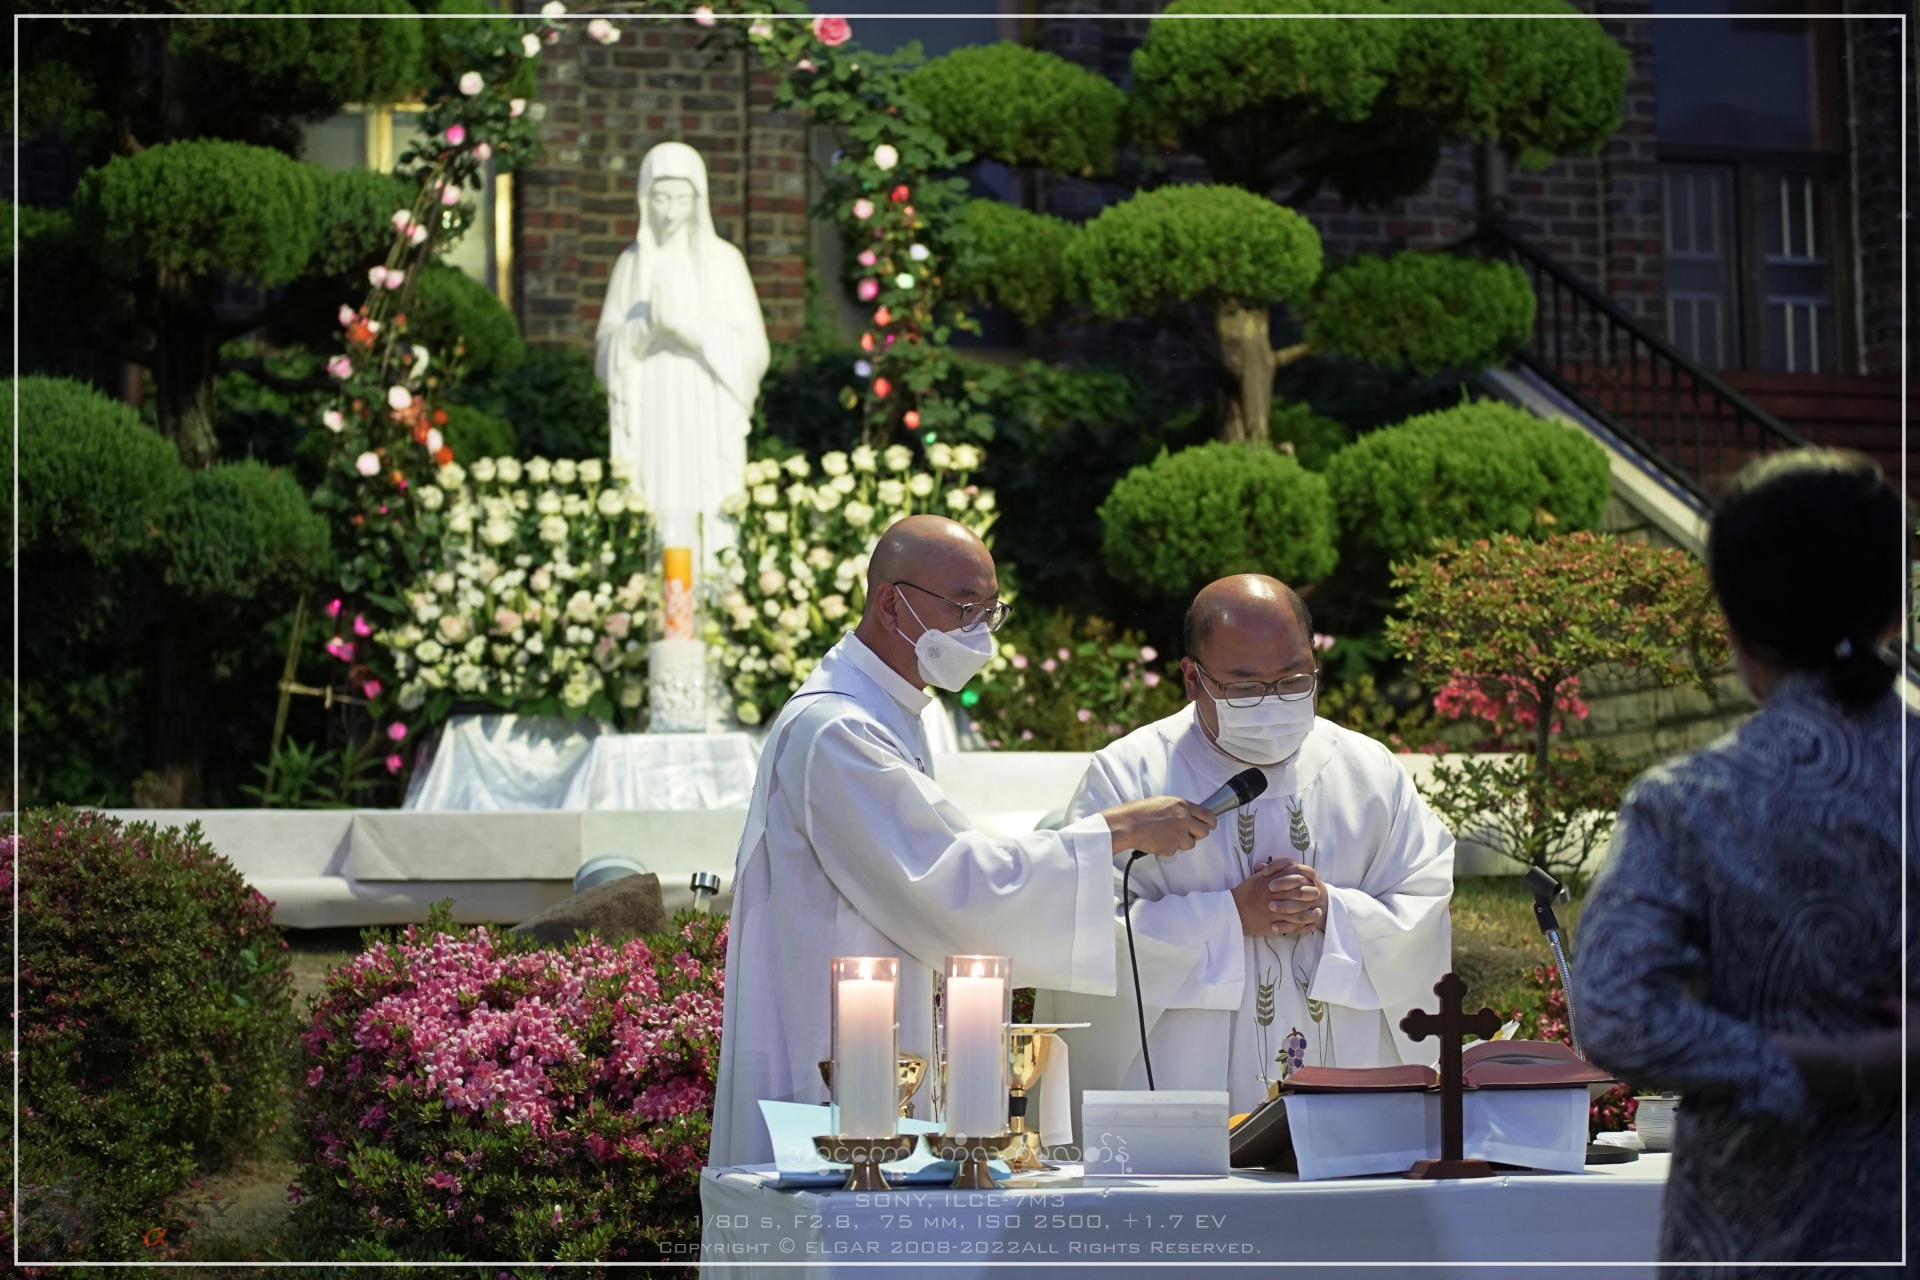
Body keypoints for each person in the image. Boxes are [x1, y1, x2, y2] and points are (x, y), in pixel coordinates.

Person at [710, 515, 1218, 1167]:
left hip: (874, 1054)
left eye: (990, 610)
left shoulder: (889, 711)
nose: (980, 631)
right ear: (891, 605)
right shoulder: (837, 729)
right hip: (827, 1063)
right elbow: (951, 882)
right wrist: (1119, 830)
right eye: (964, 607)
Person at [1576, 449, 1915, 1271]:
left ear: (1732, 618)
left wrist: (1812, 1063)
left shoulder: (1689, 801)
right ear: (1893, 612)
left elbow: (1616, 1011)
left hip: (1753, 1230)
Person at [1039, 574, 1454, 1121]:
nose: (1272, 702)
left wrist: (1333, 911)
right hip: (1184, 1088)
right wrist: (1228, 917)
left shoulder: (1369, 771)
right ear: (1193, 678)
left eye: (1293, 680)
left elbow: (1423, 896)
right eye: (1244, 687)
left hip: (1345, 1080)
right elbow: (1081, 926)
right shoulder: (1130, 775)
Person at [593, 142, 769, 541]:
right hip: (651, 402)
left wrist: (685, 328)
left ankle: (715, 566)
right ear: (645, 198)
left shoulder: (724, 261)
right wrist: (646, 326)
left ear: (697, 200)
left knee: (707, 498)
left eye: (681, 199)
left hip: (704, 404)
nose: (670, 211)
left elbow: (753, 351)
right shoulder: (630, 264)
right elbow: (606, 354)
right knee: (654, 495)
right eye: (660, 198)